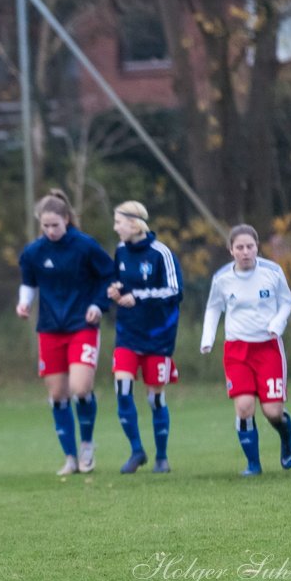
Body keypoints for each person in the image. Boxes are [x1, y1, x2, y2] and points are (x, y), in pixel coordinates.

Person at [16, 189, 115, 476]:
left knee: (80, 388)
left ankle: (86, 445)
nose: (50, 231)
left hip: (82, 325)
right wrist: (24, 303)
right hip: (49, 328)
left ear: (67, 219)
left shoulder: (85, 246)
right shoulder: (34, 251)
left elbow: (108, 276)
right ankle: (70, 457)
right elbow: (29, 283)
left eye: (55, 226)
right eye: (45, 226)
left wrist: (98, 303)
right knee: (58, 394)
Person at [200, 224, 291, 476]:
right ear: (231, 250)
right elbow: (213, 308)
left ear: (257, 247)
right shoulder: (222, 278)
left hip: (268, 348)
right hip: (237, 349)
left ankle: (286, 434)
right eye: (240, 247)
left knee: (272, 411)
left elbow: (287, 301)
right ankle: (253, 464)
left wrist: (278, 323)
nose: (245, 252)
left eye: (250, 246)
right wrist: (208, 337)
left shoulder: (272, 272)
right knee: (244, 407)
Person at [105, 201, 183, 473]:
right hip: (127, 334)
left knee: (155, 398)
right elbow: (121, 282)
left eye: (118, 222)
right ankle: (137, 451)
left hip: (158, 337)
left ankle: (162, 457)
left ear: (134, 223)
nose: (115, 228)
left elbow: (175, 291)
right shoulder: (121, 251)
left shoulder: (161, 253)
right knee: (122, 390)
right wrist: (115, 289)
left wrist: (137, 296)